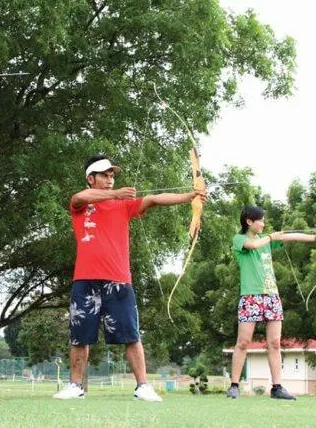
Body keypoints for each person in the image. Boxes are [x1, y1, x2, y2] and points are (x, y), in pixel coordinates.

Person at [53, 154, 207, 402]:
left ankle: (143, 386)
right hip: (85, 279)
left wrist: (190, 196)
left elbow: (156, 199)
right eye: (105, 175)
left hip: (119, 279)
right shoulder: (82, 203)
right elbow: (80, 197)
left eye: (112, 175)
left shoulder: (123, 205)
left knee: (131, 334)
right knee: (80, 336)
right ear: (91, 178)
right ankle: (75, 386)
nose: (110, 179)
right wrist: (116, 194)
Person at [226, 205, 316, 400]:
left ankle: (277, 387)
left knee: (274, 343)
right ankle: (234, 385)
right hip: (251, 296)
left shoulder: (266, 239)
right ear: (249, 221)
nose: (263, 223)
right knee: (243, 342)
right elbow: (254, 245)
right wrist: (271, 238)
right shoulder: (239, 239)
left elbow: (290, 236)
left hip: (272, 296)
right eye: (260, 220)